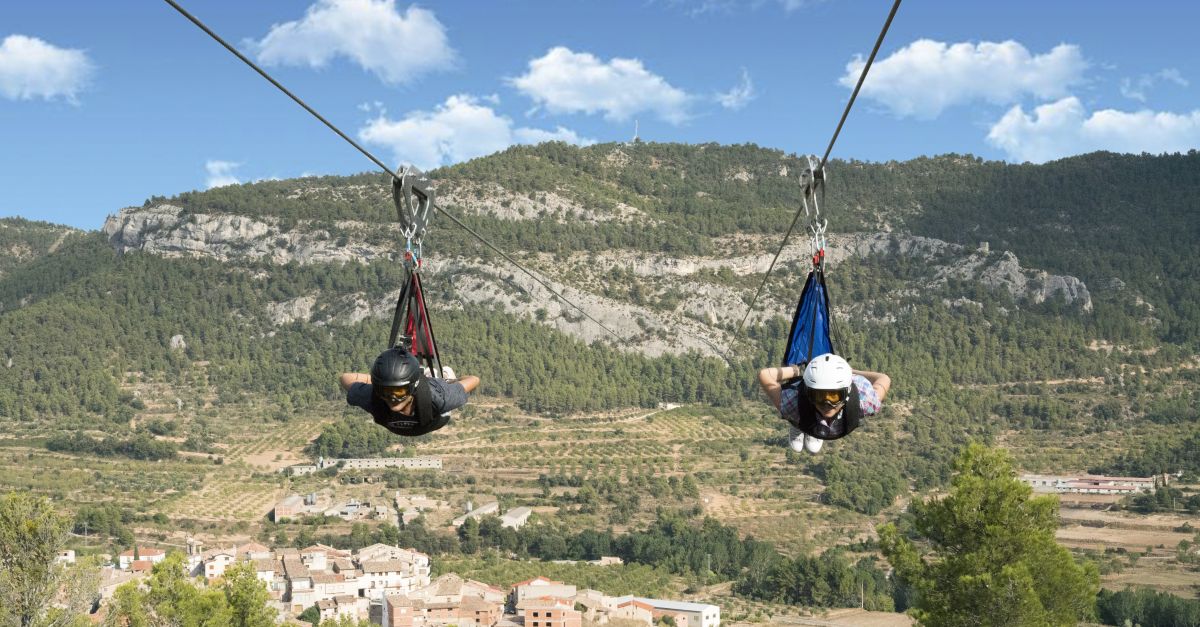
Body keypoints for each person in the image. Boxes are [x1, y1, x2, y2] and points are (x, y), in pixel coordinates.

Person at [757, 353, 890, 453]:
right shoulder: (794, 401)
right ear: (808, 394)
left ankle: (814, 427)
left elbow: (765, 375)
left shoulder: (864, 399)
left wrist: (850, 372)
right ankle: (803, 425)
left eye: (834, 396)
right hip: (803, 410)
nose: (827, 404)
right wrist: (795, 371)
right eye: (819, 396)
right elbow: (883, 379)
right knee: (797, 412)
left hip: (806, 409)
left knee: (796, 412)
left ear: (847, 393)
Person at [339, 346, 479, 436]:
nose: (392, 398)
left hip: (435, 418)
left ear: (412, 387)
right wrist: (385, 381)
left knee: (441, 375)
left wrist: (451, 383)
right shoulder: (374, 397)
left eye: (399, 391)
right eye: (385, 391)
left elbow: (474, 380)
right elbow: (344, 377)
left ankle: (440, 377)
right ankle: (424, 377)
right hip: (403, 423)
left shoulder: (440, 397)